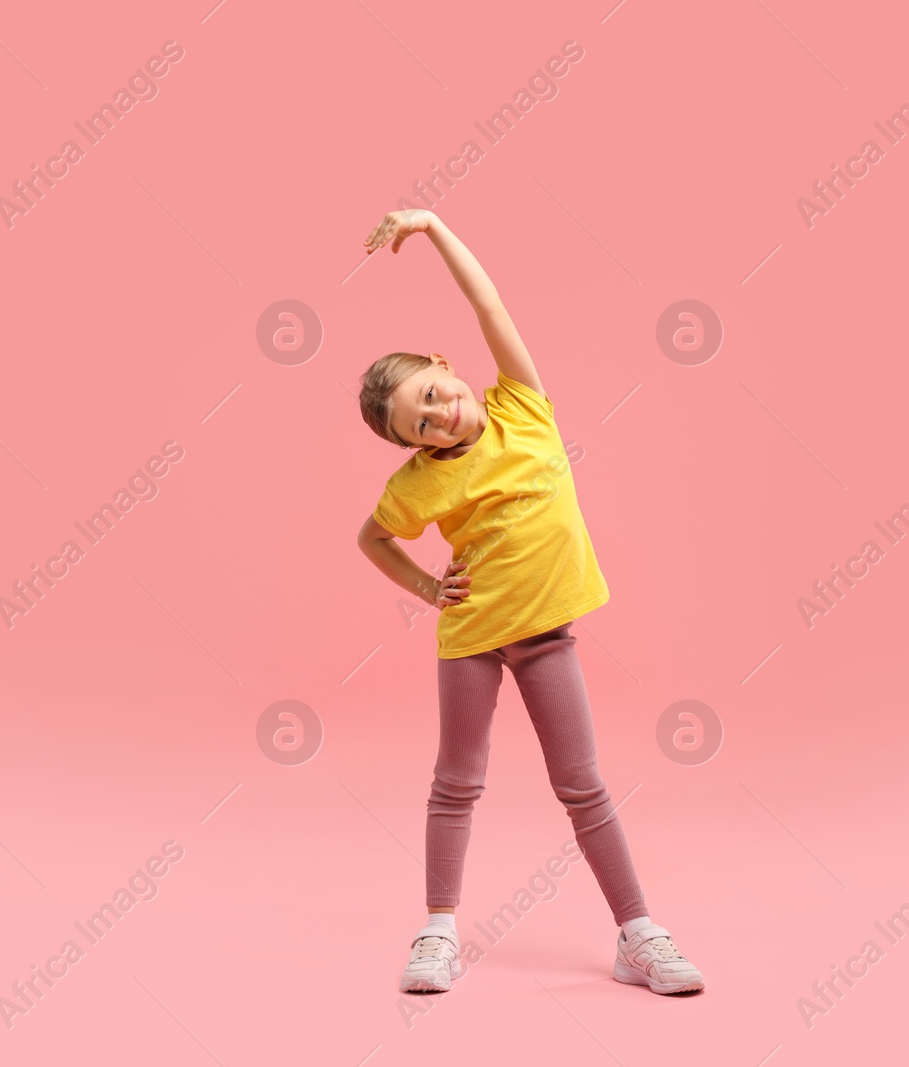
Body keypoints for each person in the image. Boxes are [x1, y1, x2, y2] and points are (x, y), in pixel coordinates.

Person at [353, 209, 704, 997]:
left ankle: (638, 933)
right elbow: (372, 539)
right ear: (413, 443)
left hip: (545, 636)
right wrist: (422, 587)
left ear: (448, 368)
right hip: (473, 635)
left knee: (582, 784)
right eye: (421, 422)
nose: (441, 414)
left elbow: (490, 307)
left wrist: (436, 228)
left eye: (436, 393)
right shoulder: (419, 483)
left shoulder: (522, 406)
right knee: (457, 780)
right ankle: (437, 931)